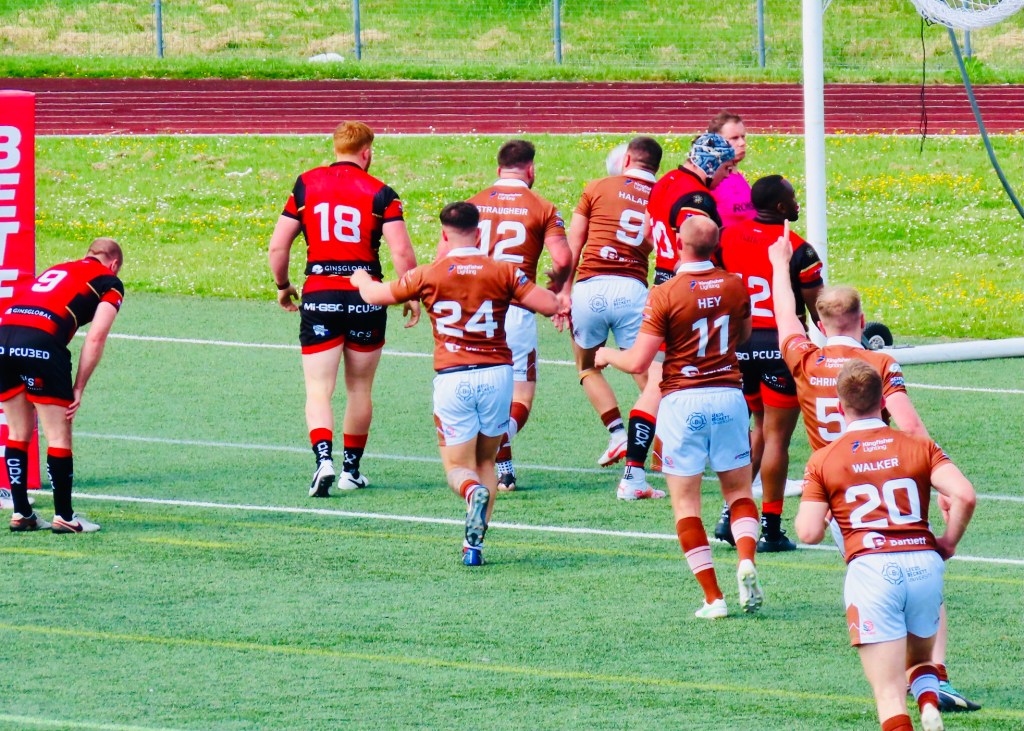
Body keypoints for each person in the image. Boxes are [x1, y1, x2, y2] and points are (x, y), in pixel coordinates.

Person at [768, 238, 981, 713]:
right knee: (921, 576)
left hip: (837, 487)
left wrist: (780, 266)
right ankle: (933, 678)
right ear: (862, 321)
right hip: (890, 476)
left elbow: (785, 317)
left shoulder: (806, 358)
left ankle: (902, 687)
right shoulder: (880, 362)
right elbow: (910, 426)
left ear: (819, 323)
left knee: (878, 583)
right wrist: (938, 474)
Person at [352, 202, 560, 566]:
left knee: (457, 469)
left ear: (444, 235)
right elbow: (549, 304)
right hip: (497, 375)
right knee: (486, 461)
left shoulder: (429, 273)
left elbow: (376, 295)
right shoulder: (503, 270)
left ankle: (470, 490)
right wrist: (554, 285)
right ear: (479, 233)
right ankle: (474, 545)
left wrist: (361, 280)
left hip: (454, 377)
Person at [596, 216, 764, 618]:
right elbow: (742, 335)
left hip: (683, 401)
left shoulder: (665, 293)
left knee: (686, 504)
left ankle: (714, 598)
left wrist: (606, 355)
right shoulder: (734, 284)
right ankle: (746, 559)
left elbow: (639, 360)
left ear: (677, 242)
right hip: (728, 396)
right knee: (739, 493)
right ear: (717, 243)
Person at [795, 359, 976, 731]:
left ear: (840, 405)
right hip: (923, 564)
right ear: (883, 401)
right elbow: (964, 495)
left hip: (872, 568)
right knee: (920, 660)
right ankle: (928, 703)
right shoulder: (918, 445)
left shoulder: (824, 458)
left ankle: (923, 708)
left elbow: (808, 533)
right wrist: (948, 542)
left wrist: (823, 508)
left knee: (889, 694)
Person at [268, 121, 419, 498]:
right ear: (366, 152)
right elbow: (401, 250)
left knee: (319, 389)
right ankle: (352, 470)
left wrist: (284, 286)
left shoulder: (306, 184)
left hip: (320, 294)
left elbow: (278, 246)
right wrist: (410, 293)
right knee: (360, 388)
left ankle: (323, 460)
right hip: (366, 295)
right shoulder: (382, 192)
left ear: (335, 148)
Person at [615, 133, 737, 500]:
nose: (729, 175)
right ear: (710, 163)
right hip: (690, 288)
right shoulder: (696, 198)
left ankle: (637, 471)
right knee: (712, 373)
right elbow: (695, 237)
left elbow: (650, 235)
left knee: (660, 381)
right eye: (727, 167)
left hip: (664, 284)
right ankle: (742, 463)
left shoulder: (664, 182)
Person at [715, 175, 823, 552]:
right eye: (792, 198)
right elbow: (819, 310)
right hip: (779, 346)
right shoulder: (798, 249)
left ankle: (731, 514)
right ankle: (771, 529)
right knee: (777, 437)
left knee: (757, 427)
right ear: (780, 207)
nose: (797, 203)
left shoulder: (726, 238)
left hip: (739, 345)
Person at [467, 140, 571, 492]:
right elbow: (562, 258)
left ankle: (504, 466)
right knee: (520, 396)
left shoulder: (473, 203)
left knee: (481, 390)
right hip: (515, 308)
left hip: (471, 309)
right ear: (531, 170)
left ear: (498, 170)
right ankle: (494, 444)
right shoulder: (542, 206)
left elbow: (444, 256)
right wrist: (557, 289)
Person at [3, 237, 125, 533]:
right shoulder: (109, 281)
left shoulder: (58, 269)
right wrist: (79, 386)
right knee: (58, 434)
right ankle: (65, 517)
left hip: (4, 338)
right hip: (42, 343)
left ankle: (22, 513)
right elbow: (96, 337)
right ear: (114, 264)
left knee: (17, 432)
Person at [566, 136, 662, 468]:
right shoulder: (662, 194)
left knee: (587, 367)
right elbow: (658, 242)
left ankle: (618, 433)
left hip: (589, 286)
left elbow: (574, 243)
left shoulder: (597, 186)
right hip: (632, 289)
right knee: (647, 373)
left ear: (627, 160)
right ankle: (666, 443)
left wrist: (563, 291)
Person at [708, 111, 755, 229]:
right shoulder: (711, 182)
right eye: (734, 138)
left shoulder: (738, 177)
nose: (742, 143)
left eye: (743, 137)